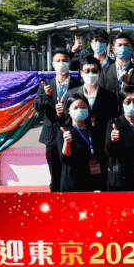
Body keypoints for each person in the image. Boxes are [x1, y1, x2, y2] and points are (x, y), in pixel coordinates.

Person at [63, 56, 120, 189]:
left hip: (101, 146)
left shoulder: (109, 96)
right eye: (87, 71)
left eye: (94, 71)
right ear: (81, 73)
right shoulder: (72, 93)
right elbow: (66, 120)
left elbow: (113, 120)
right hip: (79, 146)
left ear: (100, 73)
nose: (90, 74)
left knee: (102, 184)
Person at [34, 49, 80, 192]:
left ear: (70, 63)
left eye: (65, 61)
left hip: (71, 134)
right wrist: (47, 97)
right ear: (53, 64)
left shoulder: (77, 84)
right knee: (55, 175)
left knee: (71, 173)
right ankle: (55, 200)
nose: (61, 64)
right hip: (52, 135)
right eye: (58, 61)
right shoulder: (46, 85)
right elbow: (37, 107)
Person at [57, 96, 102, 192]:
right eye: (75, 108)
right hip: (73, 183)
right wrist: (67, 143)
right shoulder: (65, 131)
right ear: (68, 111)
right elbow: (65, 159)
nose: (79, 110)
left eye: (83, 107)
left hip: (92, 180)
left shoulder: (93, 131)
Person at [102, 32, 134, 97]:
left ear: (133, 49)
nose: (123, 48)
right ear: (114, 50)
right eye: (119, 45)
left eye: (126, 45)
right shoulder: (104, 73)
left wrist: (127, 84)